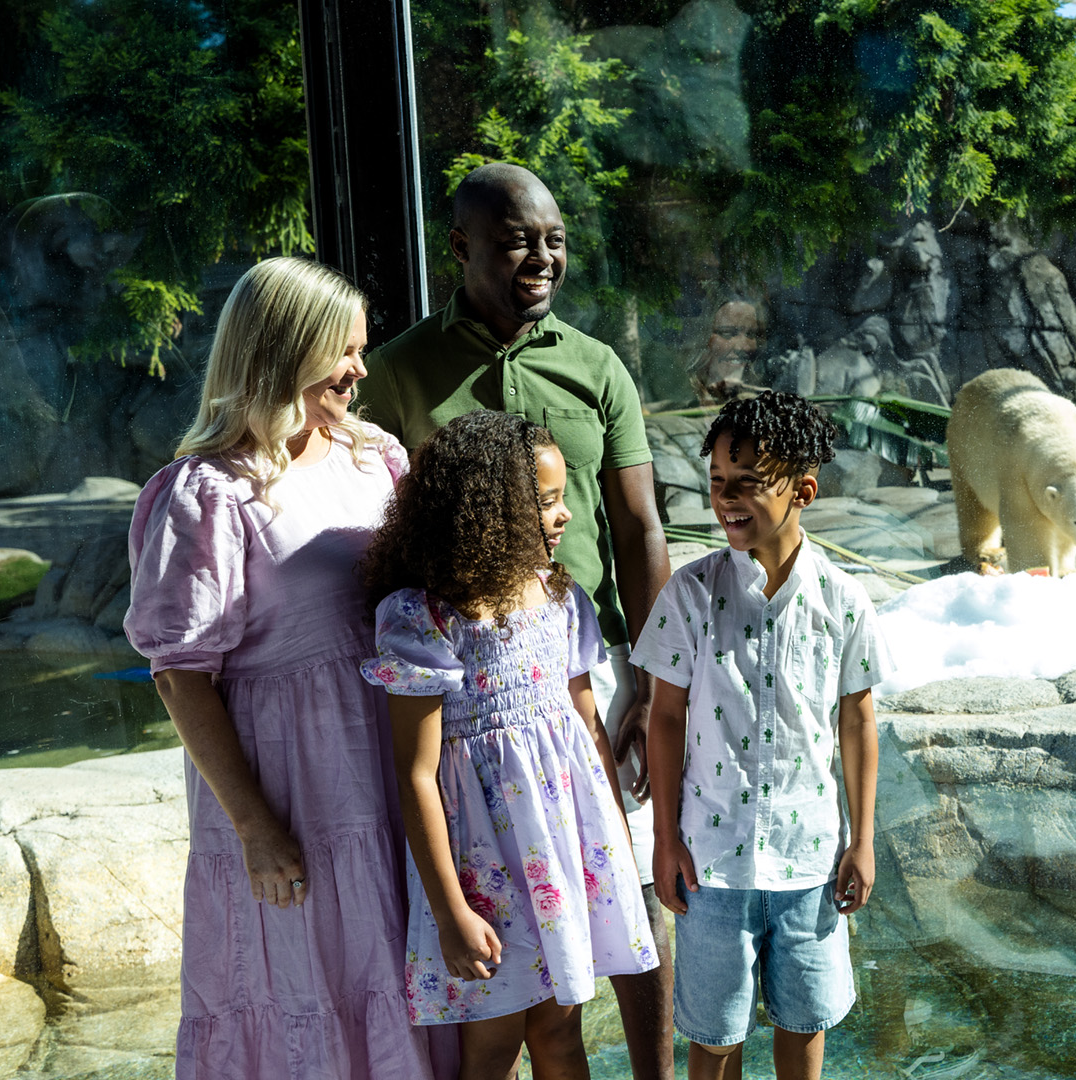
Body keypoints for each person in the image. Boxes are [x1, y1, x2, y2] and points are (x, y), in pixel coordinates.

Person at [359, 162, 676, 1078]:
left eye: (554, 241)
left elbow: (639, 523)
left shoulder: (597, 366)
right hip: (462, 681)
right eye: (515, 241)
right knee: (510, 993)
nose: (540, 258)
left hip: (576, 651)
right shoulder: (399, 372)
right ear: (459, 247)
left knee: (615, 890)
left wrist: (649, 679)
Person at [124, 257, 442, 1078]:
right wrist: (256, 828)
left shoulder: (375, 459)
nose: (361, 370)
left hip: (388, 769)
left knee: (406, 982)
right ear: (287, 353)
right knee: (310, 987)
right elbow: (179, 673)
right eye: (344, 352)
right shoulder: (207, 493)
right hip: (291, 792)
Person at [359, 410, 661, 1079]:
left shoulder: (562, 598)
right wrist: (449, 911)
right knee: (492, 1049)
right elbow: (417, 775)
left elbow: (587, 731)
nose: (566, 517)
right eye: (547, 502)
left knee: (561, 1036)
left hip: (564, 856)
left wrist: (616, 851)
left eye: (562, 498)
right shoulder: (422, 617)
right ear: (486, 513)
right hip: (480, 870)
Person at [636, 391, 890, 1080]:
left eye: (748, 482)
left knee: (803, 1023)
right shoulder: (690, 595)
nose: (727, 498)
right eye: (719, 481)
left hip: (809, 858)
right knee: (715, 1035)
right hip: (710, 861)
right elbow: (664, 718)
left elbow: (858, 722)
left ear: (804, 489)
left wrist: (861, 841)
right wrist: (665, 839)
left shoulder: (843, 601)